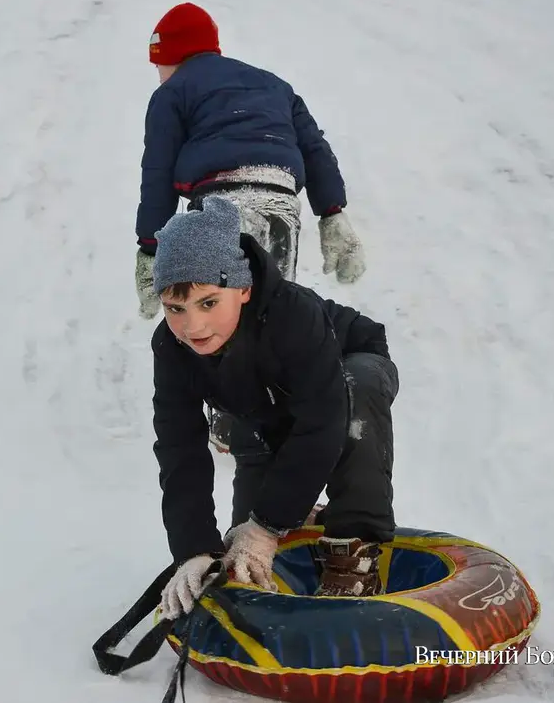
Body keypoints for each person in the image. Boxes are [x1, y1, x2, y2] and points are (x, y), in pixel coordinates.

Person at [148, 196, 398, 619]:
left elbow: (321, 424)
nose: (193, 326)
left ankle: (353, 545)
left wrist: (265, 528)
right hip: (263, 406)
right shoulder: (171, 347)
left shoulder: (293, 317)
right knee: (247, 533)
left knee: (354, 404)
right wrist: (194, 549)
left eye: (208, 302)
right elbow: (179, 449)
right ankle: (300, 513)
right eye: (175, 308)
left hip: (347, 369)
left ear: (243, 289)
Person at [133, 1, 366, 453]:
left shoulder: (172, 93)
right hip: (280, 201)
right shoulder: (274, 85)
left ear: (172, 57)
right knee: (267, 306)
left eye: (158, 64)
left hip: (218, 200)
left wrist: (150, 245)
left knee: (212, 307)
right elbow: (316, 150)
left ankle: (229, 416)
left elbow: (157, 172)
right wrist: (332, 212)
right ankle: (281, 404)